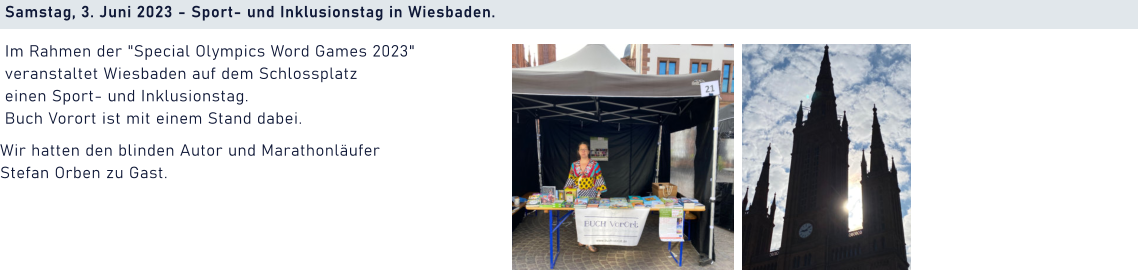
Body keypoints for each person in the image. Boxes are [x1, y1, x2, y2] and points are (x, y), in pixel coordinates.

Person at [566, 141, 607, 253]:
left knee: (590, 218)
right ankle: (582, 239)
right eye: (581, 149)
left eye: (585, 149)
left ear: (588, 151)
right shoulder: (574, 165)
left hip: (592, 195)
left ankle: (590, 242)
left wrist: (599, 195)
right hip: (579, 196)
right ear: (578, 151)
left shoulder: (595, 164)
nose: (583, 151)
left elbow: (599, 178)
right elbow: (571, 179)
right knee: (579, 218)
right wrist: (568, 194)